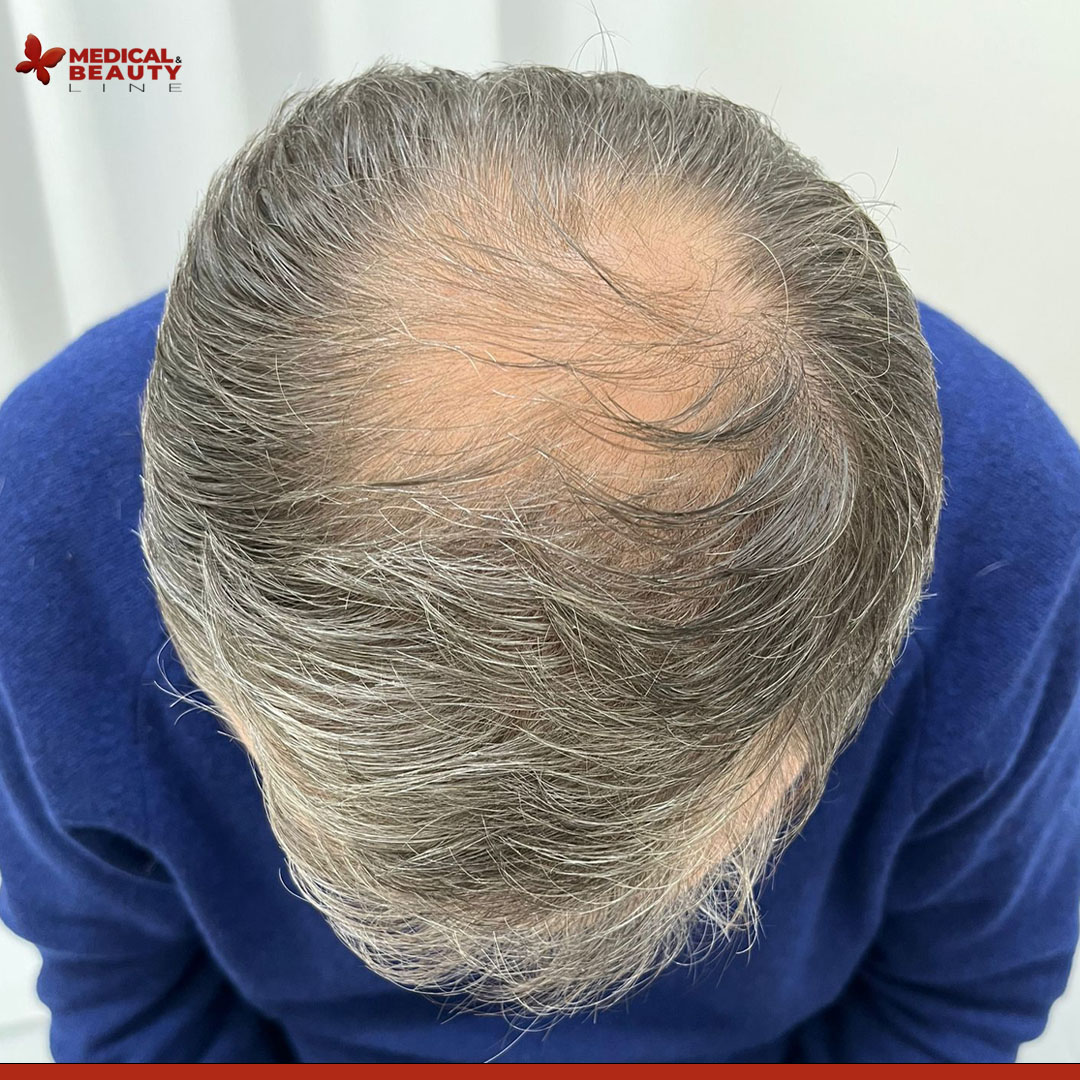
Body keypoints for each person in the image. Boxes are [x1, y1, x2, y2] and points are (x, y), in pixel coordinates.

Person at [1, 62, 1078, 1065]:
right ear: (209, 674)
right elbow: (134, 1002)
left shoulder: (1012, 550)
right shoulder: (42, 549)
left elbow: (954, 1000)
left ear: (821, 731)